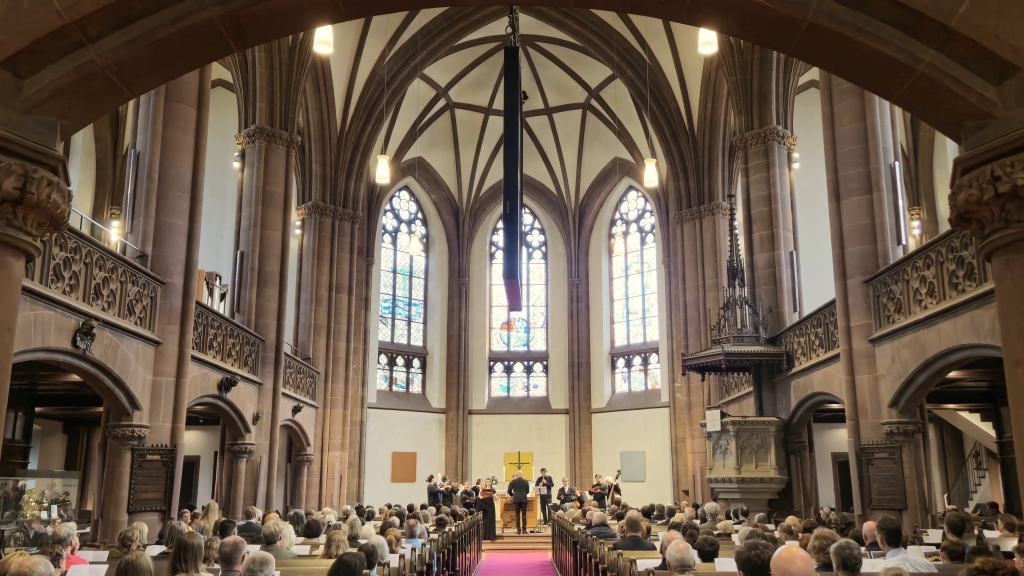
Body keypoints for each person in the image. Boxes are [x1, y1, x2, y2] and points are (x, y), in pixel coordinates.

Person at [507, 471, 531, 535]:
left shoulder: (513, 481)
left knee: (517, 515)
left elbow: (509, 490)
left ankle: (518, 530)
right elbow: (527, 491)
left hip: (516, 499)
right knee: (524, 515)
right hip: (523, 499)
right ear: (522, 474)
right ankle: (524, 530)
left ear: (517, 475)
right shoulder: (526, 481)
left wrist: (513, 495)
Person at [478, 477, 497, 541]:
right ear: (485, 483)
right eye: (487, 482)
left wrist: (494, 496)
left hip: (491, 506)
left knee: (491, 519)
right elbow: (480, 497)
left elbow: (496, 498)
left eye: (489, 482)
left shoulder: (493, 490)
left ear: (491, 482)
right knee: (485, 520)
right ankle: (485, 535)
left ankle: (491, 535)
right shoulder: (483, 490)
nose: (488, 483)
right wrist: (484, 496)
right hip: (485, 506)